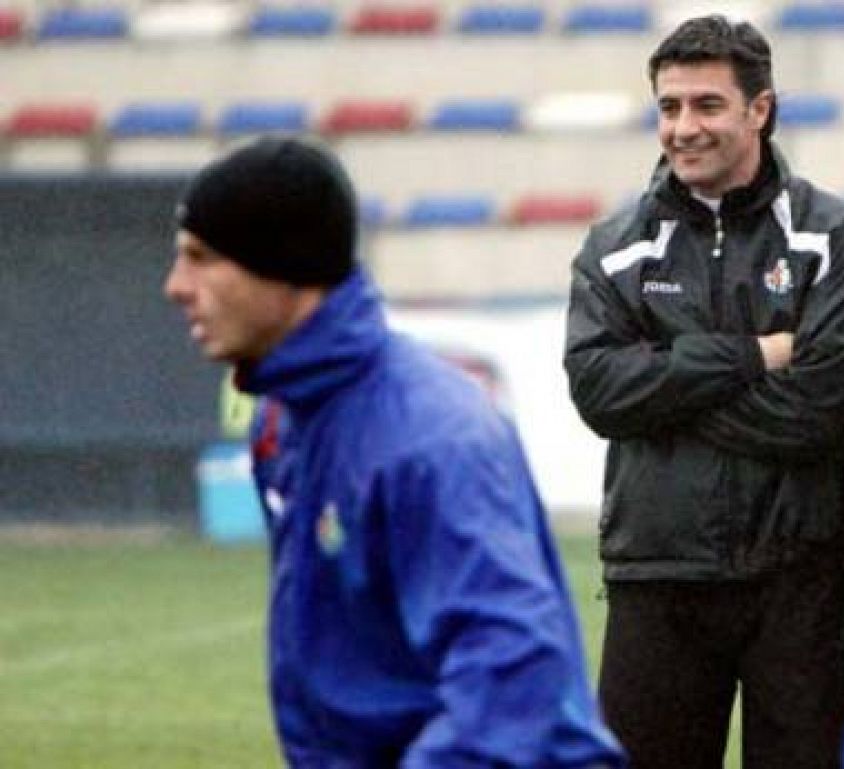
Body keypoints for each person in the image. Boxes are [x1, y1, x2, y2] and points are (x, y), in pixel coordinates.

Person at [164, 136, 624, 768]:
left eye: (201, 259)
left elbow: (512, 681)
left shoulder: (428, 440)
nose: (175, 286)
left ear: (284, 269)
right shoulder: (283, 417)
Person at [562, 15, 844, 769]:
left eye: (706, 105)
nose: (682, 127)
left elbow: (819, 408)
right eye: (669, 107)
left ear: (759, 109)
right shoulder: (614, 248)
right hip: (657, 574)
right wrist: (755, 355)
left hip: (799, 578)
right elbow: (601, 391)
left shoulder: (834, 235)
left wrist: (667, 384)